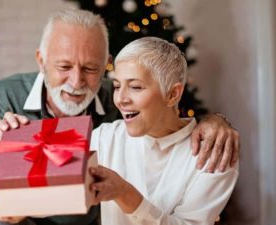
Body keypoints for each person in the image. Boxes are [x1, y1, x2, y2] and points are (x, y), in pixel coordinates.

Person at [0, 9, 240, 225]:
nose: (77, 81)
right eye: (64, 66)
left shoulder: (117, 101)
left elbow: (165, 112)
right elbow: (55, 156)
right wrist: (14, 140)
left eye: (91, 69)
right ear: (41, 61)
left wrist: (215, 120)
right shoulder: (6, 96)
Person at [89, 37, 238, 225]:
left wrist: (124, 193)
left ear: (172, 94)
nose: (121, 99)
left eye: (135, 87)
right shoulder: (105, 138)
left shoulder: (214, 153)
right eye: (117, 86)